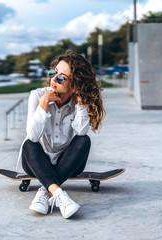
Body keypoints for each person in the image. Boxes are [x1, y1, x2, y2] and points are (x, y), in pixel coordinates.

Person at [16, 50, 105, 219]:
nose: (54, 80)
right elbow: (33, 136)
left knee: (84, 140)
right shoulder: (37, 95)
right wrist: (44, 102)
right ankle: (60, 195)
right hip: (36, 163)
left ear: (75, 83)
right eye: (53, 73)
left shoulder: (78, 101)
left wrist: (80, 102)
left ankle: (46, 190)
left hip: (69, 163)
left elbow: (80, 131)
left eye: (61, 77)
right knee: (29, 143)